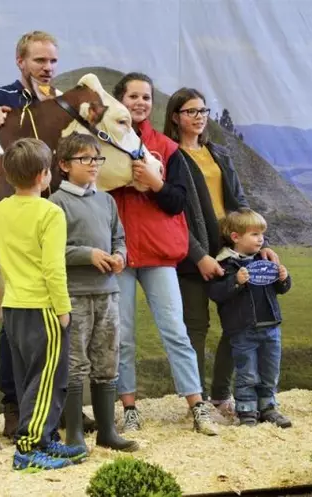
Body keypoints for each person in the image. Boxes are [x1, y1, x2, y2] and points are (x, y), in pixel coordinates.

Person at [0, 30, 79, 438]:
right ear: (20, 62)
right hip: (11, 217)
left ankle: (57, 409)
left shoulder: (62, 101)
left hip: (52, 214)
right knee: (17, 325)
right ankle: (14, 409)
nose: (47, 68)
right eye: (39, 61)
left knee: (50, 332)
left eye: (52, 61)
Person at [0, 137, 86, 471]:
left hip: (14, 310)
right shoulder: (51, 213)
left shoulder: (2, 210)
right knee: (47, 380)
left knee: (27, 378)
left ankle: (45, 440)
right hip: (43, 309)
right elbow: (53, 268)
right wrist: (63, 310)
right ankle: (29, 449)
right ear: (44, 176)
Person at [109, 73, 218, 435]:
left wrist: (154, 184)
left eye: (146, 97)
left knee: (175, 329)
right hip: (119, 252)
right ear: (118, 100)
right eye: (133, 96)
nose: (140, 103)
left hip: (157, 252)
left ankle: (196, 404)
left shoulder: (166, 149)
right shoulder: (102, 145)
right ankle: (129, 407)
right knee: (121, 335)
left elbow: (177, 201)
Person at [163, 87, 279, 416]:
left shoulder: (220, 154)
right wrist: (198, 254)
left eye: (203, 111)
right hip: (190, 249)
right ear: (175, 116)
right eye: (190, 112)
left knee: (237, 325)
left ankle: (220, 395)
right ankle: (196, 402)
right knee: (196, 326)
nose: (199, 118)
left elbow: (240, 203)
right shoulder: (170, 156)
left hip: (230, 248)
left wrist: (261, 246)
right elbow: (171, 213)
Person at [49, 133, 138, 452]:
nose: (93, 165)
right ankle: (73, 432)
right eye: (84, 159)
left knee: (107, 361)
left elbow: (119, 238)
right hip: (74, 295)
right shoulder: (56, 204)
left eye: (97, 158)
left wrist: (120, 257)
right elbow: (52, 251)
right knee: (74, 363)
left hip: (108, 294)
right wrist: (88, 255)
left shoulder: (106, 200)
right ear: (63, 165)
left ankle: (107, 432)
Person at [207, 208, 292, 427]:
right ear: (236, 237)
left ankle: (268, 408)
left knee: (270, 371)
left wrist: (283, 278)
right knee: (247, 372)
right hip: (242, 330)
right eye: (254, 234)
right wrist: (235, 281)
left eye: (261, 234)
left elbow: (281, 290)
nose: (261, 239)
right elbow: (216, 294)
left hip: (271, 327)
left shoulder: (265, 260)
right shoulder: (225, 265)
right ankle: (246, 411)